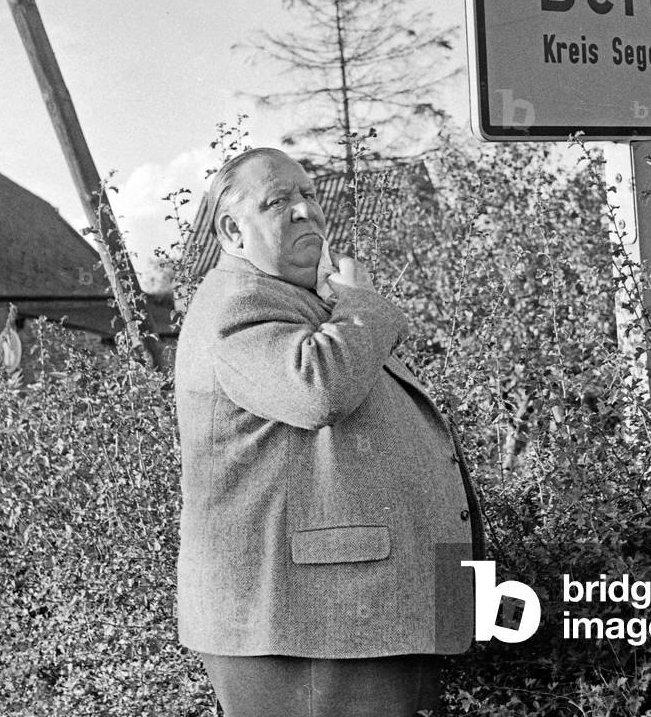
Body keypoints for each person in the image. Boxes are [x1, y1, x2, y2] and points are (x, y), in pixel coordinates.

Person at [174, 147, 484, 717]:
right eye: (278, 201)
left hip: (352, 616)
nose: (305, 212)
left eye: (309, 195)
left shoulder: (302, 301)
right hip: (313, 622)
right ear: (231, 230)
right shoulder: (237, 304)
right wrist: (362, 305)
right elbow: (318, 389)